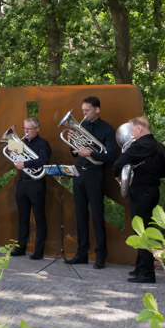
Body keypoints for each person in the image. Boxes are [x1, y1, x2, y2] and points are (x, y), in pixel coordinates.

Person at [112, 115, 165, 284]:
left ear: (139, 129)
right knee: (147, 230)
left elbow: (117, 166)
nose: (131, 134)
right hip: (153, 190)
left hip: (140, 191)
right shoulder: (160, 146)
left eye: (132, 130)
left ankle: (146, 273)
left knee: (142, 232)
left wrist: (120, 180)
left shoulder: (138, 146)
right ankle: (141, 267)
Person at [67, 96, 116, 268]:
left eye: (87, 110)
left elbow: (110, 155)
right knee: (80, 215)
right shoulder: (82, 127)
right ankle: (82, 253)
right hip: (79, 173)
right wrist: (72, 140)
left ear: (97, 109)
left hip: (95, 174)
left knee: (97, 215)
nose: (84, 114)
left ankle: (101, 255)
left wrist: (91, 153)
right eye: (83, 111)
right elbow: (74, 152)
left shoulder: (108, 129)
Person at [9, 118, 51, 260]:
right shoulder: (22, 143)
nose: (26, 132)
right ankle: (21, 248)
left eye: (29, 129)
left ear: (37, 129)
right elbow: (14, 156)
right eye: (24, 129)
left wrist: (25, 164)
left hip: (36, 183)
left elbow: (43, 161)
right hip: (22, 183)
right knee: (22, 218)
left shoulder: (42, 144)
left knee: (39, 218)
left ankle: (39, 251)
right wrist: (13, 138)